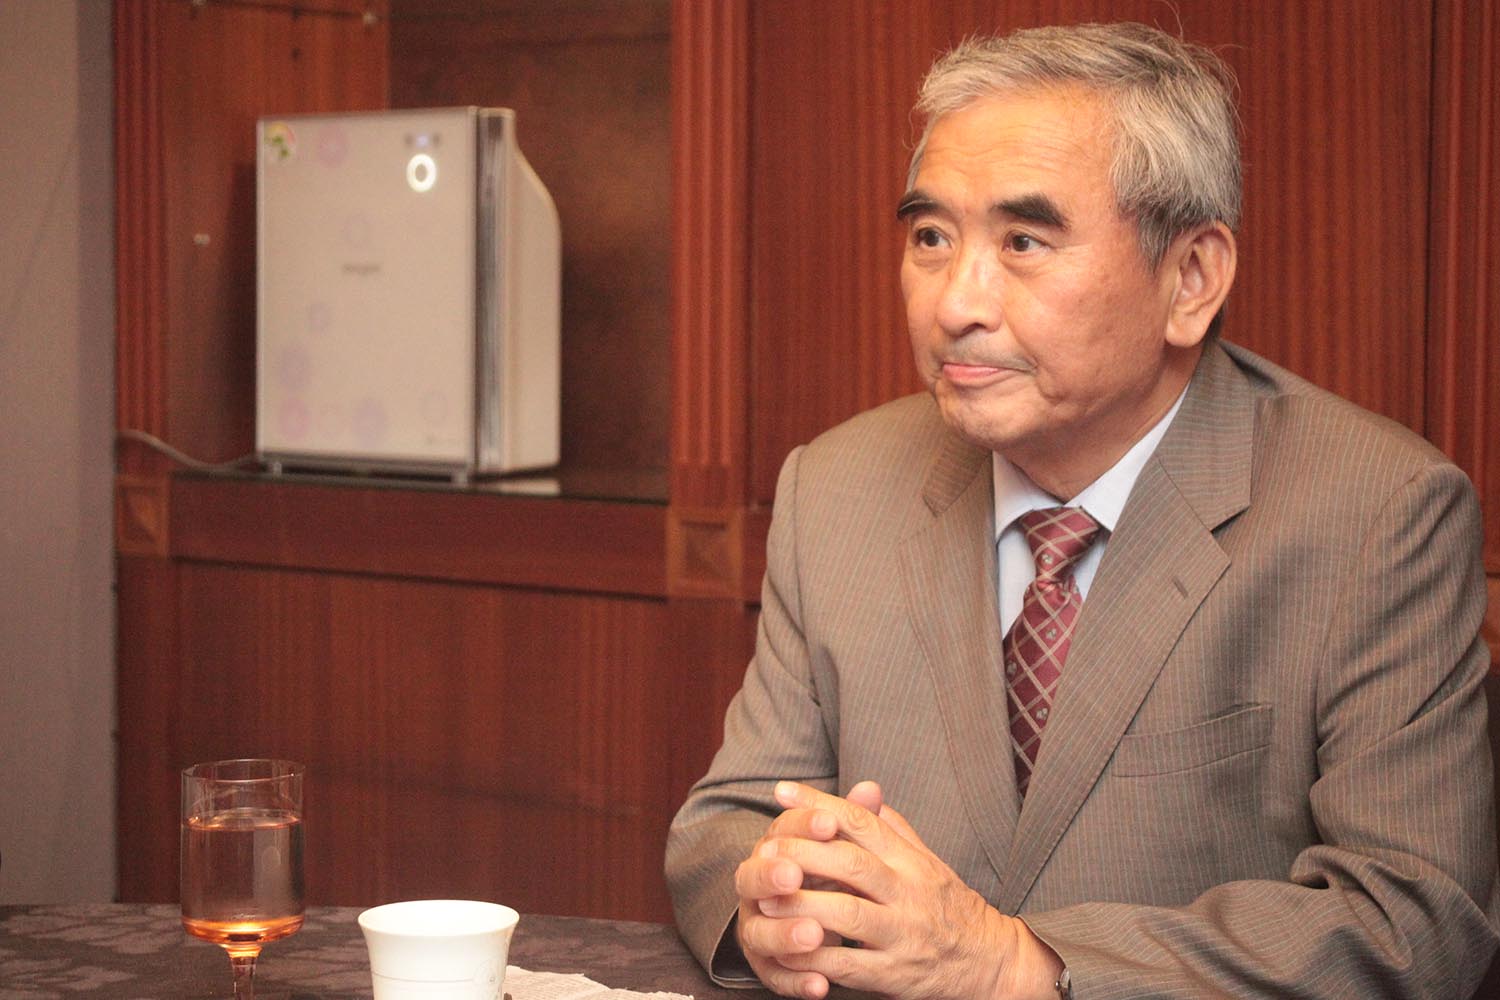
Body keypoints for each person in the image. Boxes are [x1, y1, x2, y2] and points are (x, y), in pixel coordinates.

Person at [663, 20, 1500, 1000]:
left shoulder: (1378, 514)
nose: (957, 304)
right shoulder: (837, 488)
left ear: (1190, 279)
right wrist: (771, 902)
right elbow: (727, 823)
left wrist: (1020, 965)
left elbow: (1413, 920)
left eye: (1023, 241)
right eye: (931, 237)